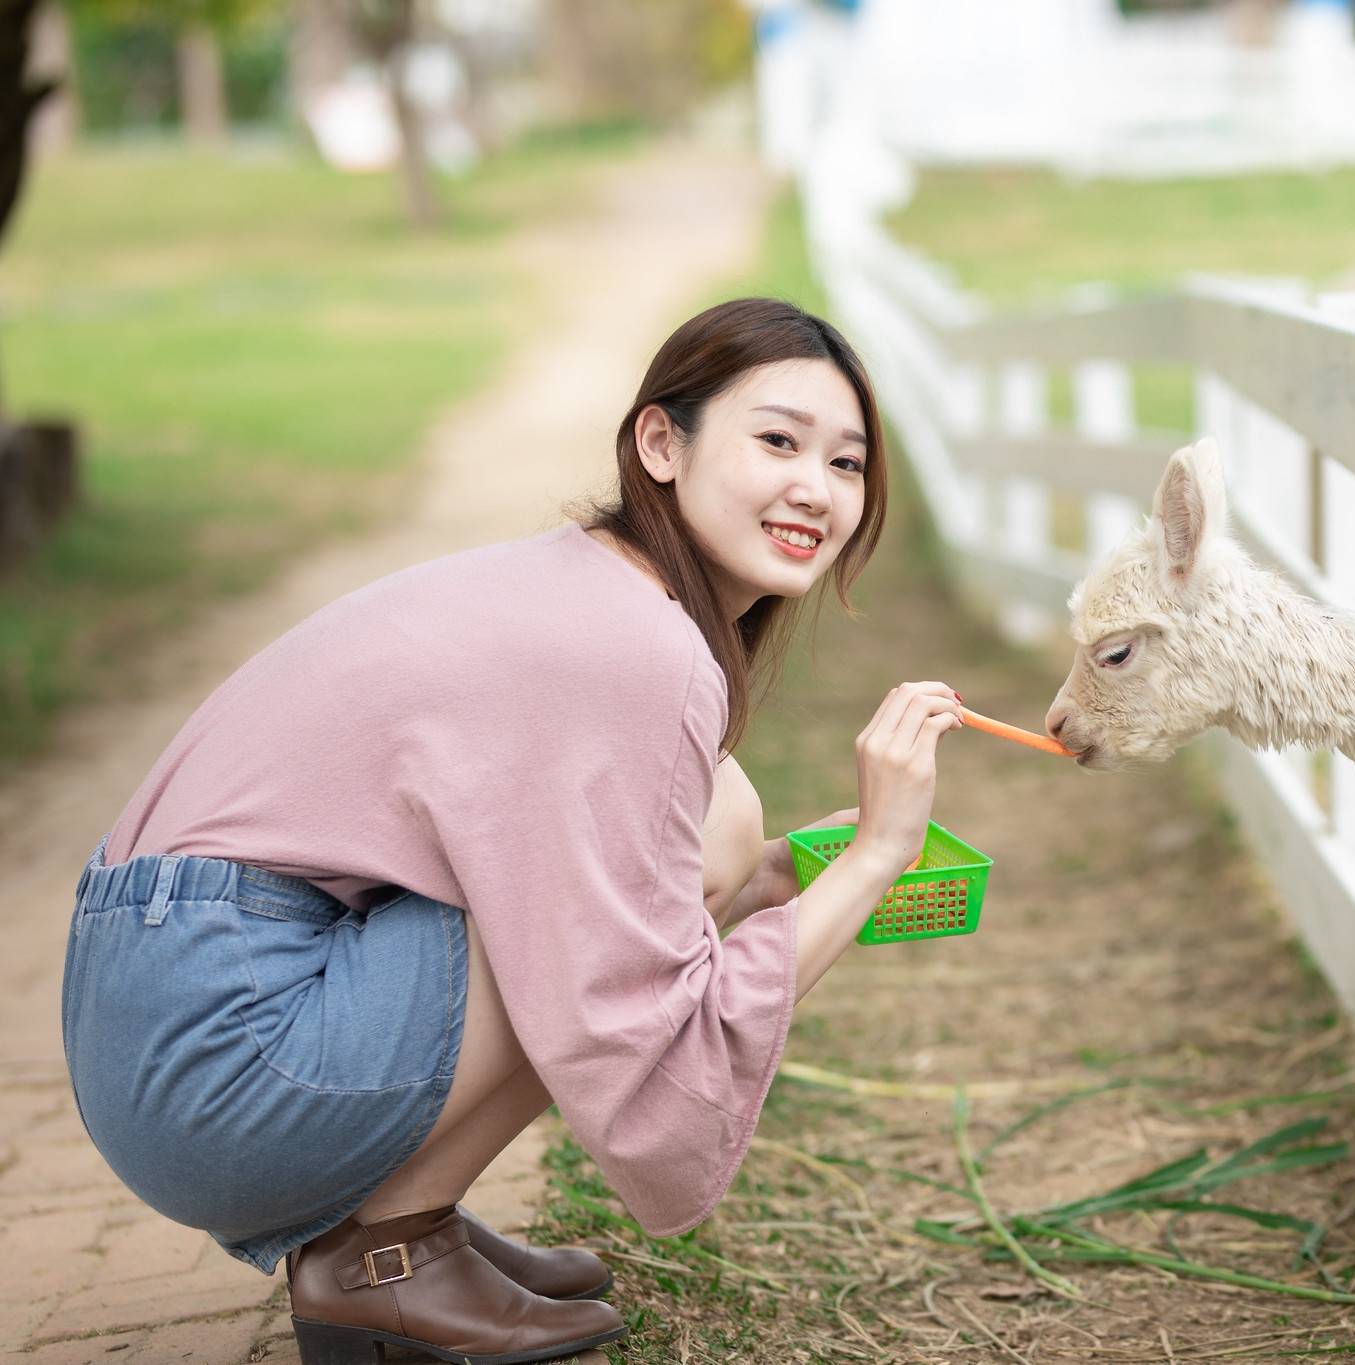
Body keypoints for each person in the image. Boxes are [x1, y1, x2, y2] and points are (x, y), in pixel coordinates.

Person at [59, 298, 964, 1365]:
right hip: (216, 1048)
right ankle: (380, 1256)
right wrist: (873, 861)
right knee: (665, 869)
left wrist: (772, 879)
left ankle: (405, 1223)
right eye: (777, 441)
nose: (816, 489)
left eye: (848, 464)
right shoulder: (641, 649)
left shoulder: (593, 584)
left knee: (719, 831)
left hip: (155, 1003)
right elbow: (635, 1006)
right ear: (660, 444)